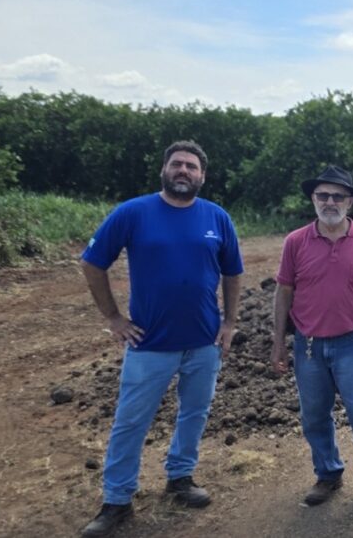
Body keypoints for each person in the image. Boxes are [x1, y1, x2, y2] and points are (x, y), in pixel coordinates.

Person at [79, 141, 243, 537]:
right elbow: (92, 263)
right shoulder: (133, 213)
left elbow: (232, 272)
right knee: (131, 421)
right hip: (150, 343)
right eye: (177, 164)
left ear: (202, 176)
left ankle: (180, 477)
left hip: (204, 341)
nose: (183, 171)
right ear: (164, 171)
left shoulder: (217, 217)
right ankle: (117, 499)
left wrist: (230, 322)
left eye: (191, 166)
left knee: (194, 412)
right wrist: (114, 318)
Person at [270, 166, 353, 511]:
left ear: (350, 202)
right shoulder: (295, 242)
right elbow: (284, 290)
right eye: (322, 195)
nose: (329, 202)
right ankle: (327, 473)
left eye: (337, 196)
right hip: (308, 345)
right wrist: (279, 341)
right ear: (313, 199)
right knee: (314, 415)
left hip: (352, 343)